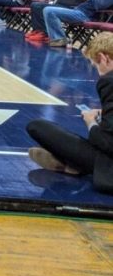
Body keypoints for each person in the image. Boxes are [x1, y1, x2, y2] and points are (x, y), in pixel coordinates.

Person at [26, 32, 113, 193]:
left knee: (37, 126)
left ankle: (73, 164)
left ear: (104, 58)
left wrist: (91, 122)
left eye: (95, 65)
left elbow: (107, 143)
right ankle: (70, 164)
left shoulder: (109, 81)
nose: (97, 71)